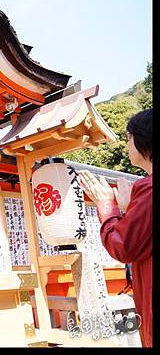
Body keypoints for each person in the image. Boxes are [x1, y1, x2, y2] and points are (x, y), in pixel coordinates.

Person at [78, 109, 152, 347]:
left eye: (128, 136)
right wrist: (131, 208)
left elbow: (123, 246)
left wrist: (107, 207)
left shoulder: (149, 189)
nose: (126, 144)